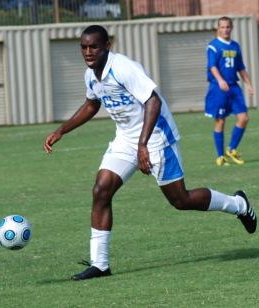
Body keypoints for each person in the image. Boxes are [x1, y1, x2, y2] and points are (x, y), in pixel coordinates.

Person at [43, 25, 257, 281]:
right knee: (101, 190)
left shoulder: (123, 68)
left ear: (107, 45)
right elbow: (92, 104)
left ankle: (238, 204)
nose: (88, 52)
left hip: (156, 137)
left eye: (94, 46)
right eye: (83, 47)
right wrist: (62, 130)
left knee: (181, 200)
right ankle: (99, 264)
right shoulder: (91, 75)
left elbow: (152, 100)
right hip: (125, 139)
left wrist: (143, 145)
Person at [205, 16, 254, 166]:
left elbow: (240, 67)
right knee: (221, 121)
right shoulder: (213, 46)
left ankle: (231, 149)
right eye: (222, 27)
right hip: (219, 88)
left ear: (231, 28)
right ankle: (220, 156)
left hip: (234, 87)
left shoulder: (235, 46)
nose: (225, 29)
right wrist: (220, 80)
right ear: (218, 29)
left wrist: (249, 84)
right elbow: (212, 66)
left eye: (227, 27)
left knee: (244, 118)